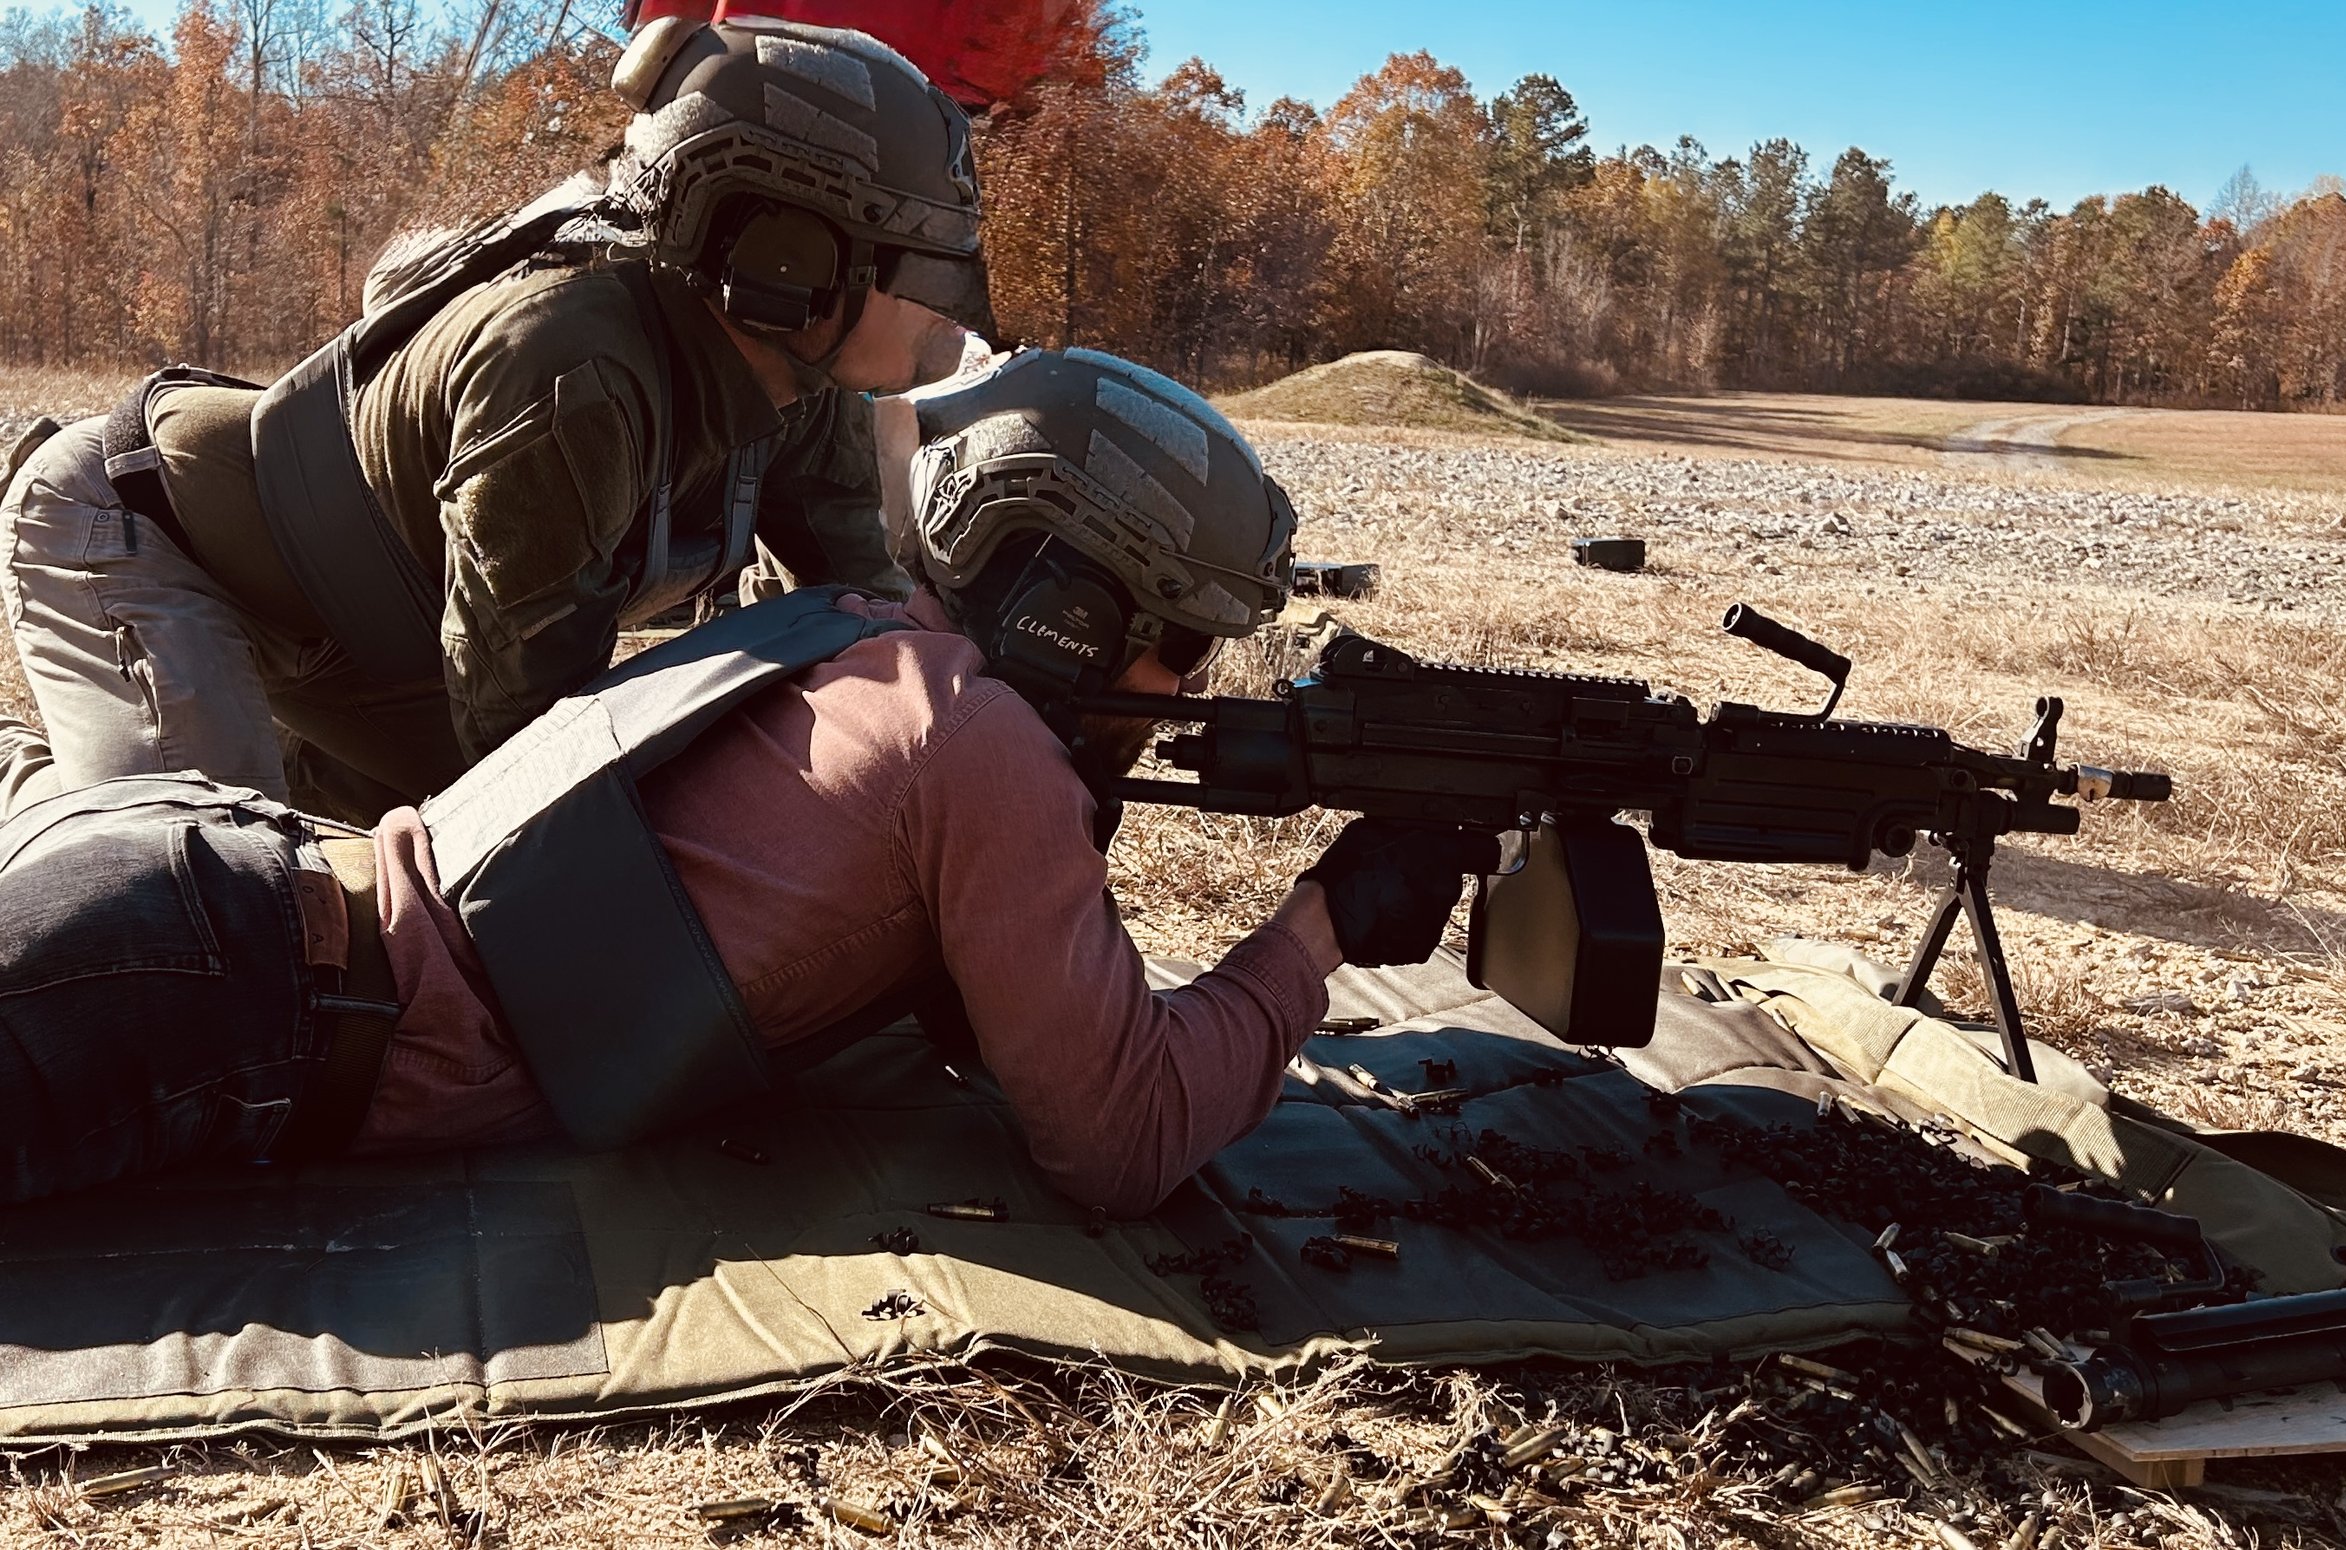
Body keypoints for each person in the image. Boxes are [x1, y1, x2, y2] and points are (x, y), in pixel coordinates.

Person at [0, 351, 1494, 1213]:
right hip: (220, 979)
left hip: (210, 895)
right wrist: (1318, 933)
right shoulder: (981, 748)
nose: (1188, 687)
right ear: (1070, 611)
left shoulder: (874, 641)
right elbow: (1122, 1136)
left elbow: (1002, 1019)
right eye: (1179, 640)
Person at [0, 16, 990, 826]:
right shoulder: (574, 371)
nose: (951, 306)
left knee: (344, 884)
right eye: (919, 262)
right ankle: (35, 801)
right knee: (197, 892)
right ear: (787, 261)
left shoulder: (800, 383)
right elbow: (525, 751)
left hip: (361, 639)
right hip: (138, 535)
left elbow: (868, 618)